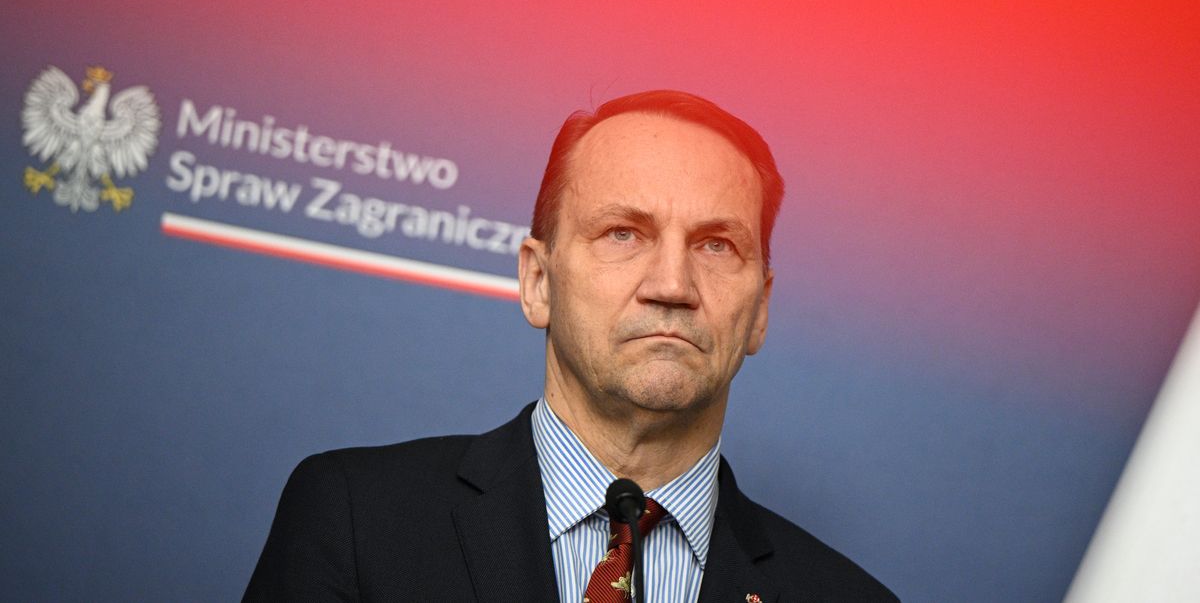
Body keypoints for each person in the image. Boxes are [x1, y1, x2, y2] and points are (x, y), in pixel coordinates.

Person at [245, 90, 897, 602]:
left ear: (760, 309)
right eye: (623, 233)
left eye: (715, 245)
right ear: (537, 281)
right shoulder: (357, 521)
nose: (672, 284)